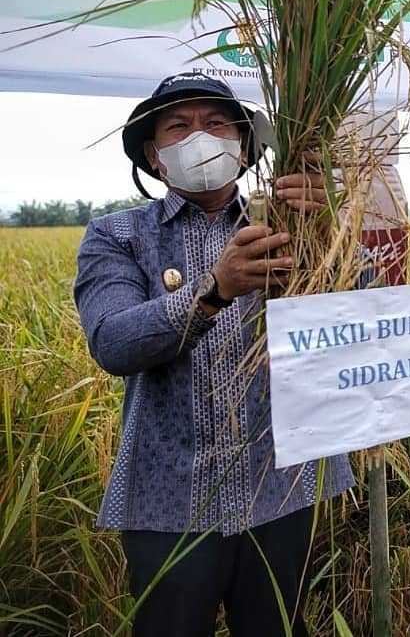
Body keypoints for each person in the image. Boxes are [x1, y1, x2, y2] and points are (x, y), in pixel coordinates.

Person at [74, 73, 353, 636]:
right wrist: (213, 291)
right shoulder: (117, 236)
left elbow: (360, 312)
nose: (198, 136)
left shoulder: (286, 227)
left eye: (215, 123)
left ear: (244, 147)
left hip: (280, 491)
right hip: (167, 501)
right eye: (178, 127)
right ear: (155, 157)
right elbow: (113, 341)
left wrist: (329, 234)